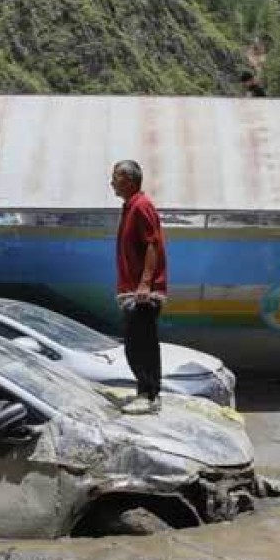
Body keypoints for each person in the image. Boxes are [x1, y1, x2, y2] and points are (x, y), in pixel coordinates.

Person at [111, 160, 168, 415]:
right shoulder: (130, 207)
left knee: (141, 344)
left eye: (116, 178)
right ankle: (145, 391)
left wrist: (145, 283)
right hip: (133, 291)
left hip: (143, 293)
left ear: (130, 181)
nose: (112, 182)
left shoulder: (141, 206)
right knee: (135, 343)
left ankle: (149, 395)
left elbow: (152, 245)